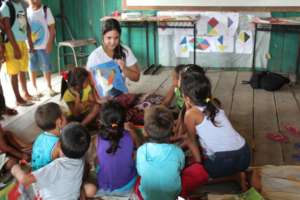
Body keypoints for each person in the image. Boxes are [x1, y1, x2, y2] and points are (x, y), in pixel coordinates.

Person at [180, 71, 250, 191]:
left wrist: (199, 165)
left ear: (187, 98)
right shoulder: (214, 103)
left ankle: (234, 176)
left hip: (224, 161)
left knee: (198, 178)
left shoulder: (190, 114)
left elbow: (191, 141)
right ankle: (238, 173)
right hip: (244, 155)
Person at [135, 105, 208, 200]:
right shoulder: (177, 151)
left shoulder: (141, 150)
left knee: (139, 181)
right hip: (174, 195)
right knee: (198, 170)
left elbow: (140, 171)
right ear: (172, 129)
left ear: (144, 131)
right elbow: (180, 169)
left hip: (146, 197)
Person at [11, 122, 91, 200]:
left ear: (58, 145)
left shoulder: (57, 166)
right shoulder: (81, 160)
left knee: (24, 185)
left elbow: (25, 180)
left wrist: (15, 168)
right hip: (73, 197)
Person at [93, 100, 140, 196]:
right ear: (124, 120)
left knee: (99, 163)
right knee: (136, 159)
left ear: (101, 121)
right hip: (128, 184)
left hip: (104, 185)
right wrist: (132, 130)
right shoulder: (130, 135)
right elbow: (140, 150)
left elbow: (97, 161)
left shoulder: (96, 139)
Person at [87, 18, 140, 97]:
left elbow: (136, 77)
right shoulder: (95, 56)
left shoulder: (125, 51)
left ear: (120, 36)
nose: (112, 42)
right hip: (101, 97)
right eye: (109, 38)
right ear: (103, 36)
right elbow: (88, 83)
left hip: (120, 95)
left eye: (116, 38)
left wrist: (124, 68)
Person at [0, 0, 34, 106]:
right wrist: (15, 47)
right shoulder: (6, 6)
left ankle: (25, 93)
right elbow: (7, 29)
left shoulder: (20, 5)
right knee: (14, 73)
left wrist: (29, 42)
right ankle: (18, 98)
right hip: (11, 43)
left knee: (22, 70)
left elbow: (23, 25)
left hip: (21, 42)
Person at [26, 0, 57, 97]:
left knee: (46, 66)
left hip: (44, 45)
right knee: (32, 66)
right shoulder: (26, 11)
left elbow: (52, 28)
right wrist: (27, 44)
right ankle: (34, 87)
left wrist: (50, 43)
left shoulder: (45, 10)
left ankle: (49, 86)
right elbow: (24, 28)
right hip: (31, 46)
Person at [31, 102, 66, 170]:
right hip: (48, 178)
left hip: (35, 172)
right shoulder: (59, 145)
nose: (66, 117)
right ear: (59, 122)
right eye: (64, 115)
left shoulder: (39, 137)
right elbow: (67, 164)